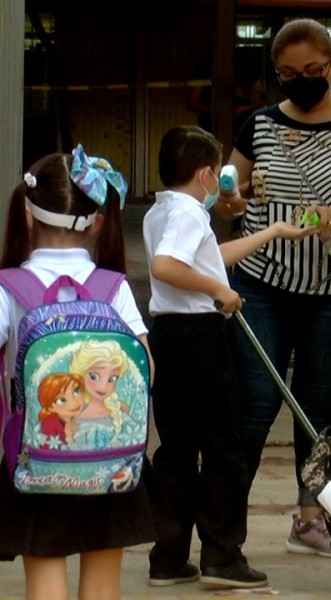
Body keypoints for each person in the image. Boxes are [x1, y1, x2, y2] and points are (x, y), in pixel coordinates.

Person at [217, 17, 331, 557]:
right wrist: (230, 202)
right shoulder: (258, 126)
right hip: (263, 287)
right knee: (254, 404)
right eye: (288, 74)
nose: (301, 81)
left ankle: (310, 516)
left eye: (312, 71)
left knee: (317, 406)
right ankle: (223, 528)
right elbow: (230, 193)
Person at [143, 125, 311, 588]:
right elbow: (167, 267)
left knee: (176, 449)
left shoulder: (163, 211)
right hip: (200, 337)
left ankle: (169, 555)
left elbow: (205, 257)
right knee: (223, 447)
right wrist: (220, 290)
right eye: (219, 173)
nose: (221, 182)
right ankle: (222, 554)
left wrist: (272, 233)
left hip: (168, 337)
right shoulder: (192, 215)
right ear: (204, 175)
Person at [0, 146, 156, 599]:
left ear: (27, 217)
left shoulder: (10, 288)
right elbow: (147, 370)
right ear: (98, 223)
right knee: (104, 586)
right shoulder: (114, 289)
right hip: (111, 467)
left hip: (35, 462)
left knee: (46, 582)